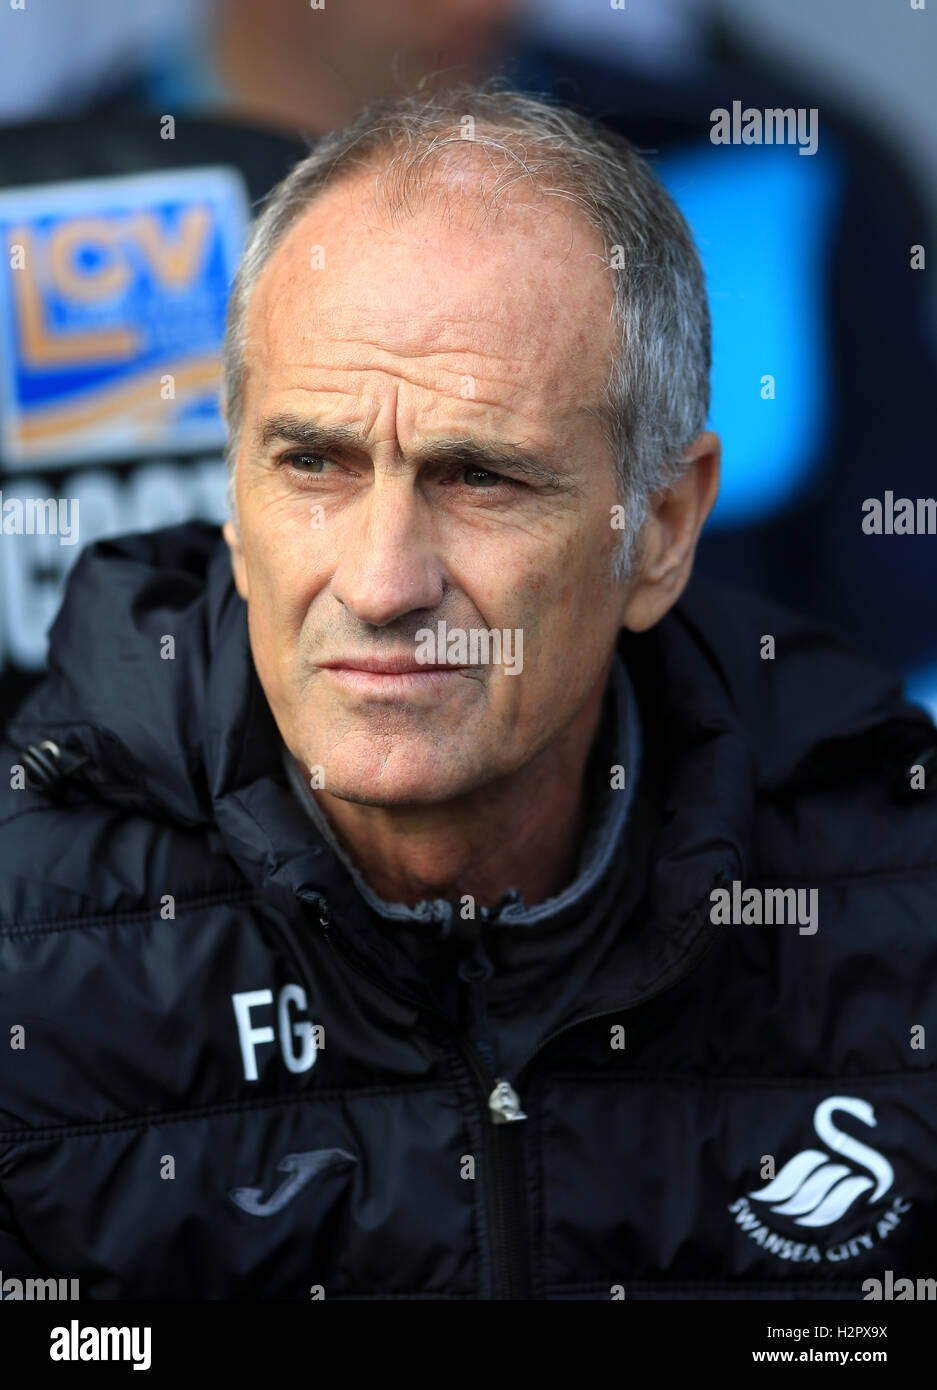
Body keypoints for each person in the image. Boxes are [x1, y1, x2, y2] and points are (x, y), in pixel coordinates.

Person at [1, 85, 935, 1301]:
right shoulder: (29, 961)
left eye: (481, 477)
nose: (382, 583)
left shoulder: (897, 906)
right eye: (313, 464)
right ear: (234, 505)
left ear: (658, 528)